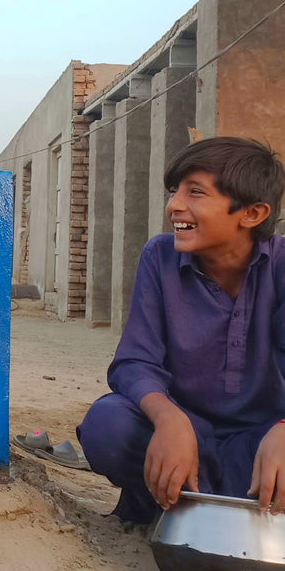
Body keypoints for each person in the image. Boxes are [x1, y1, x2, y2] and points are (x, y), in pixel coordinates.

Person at [78, 137, 285, 523]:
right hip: (184, 436)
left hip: (263, 441)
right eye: (175, 191)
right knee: (108, 425)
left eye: (195, 193)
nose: (174, 206)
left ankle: (193, 505)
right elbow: (134, 362)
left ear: (253, 213)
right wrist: (170, 419)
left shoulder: (282, 267)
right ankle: (181, 501)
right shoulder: (160, 257)